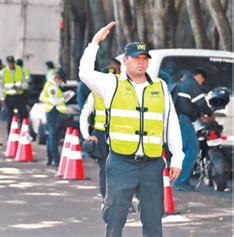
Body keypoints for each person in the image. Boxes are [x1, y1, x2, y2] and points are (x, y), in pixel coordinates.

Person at [79, 22, 184, 237]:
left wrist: (177, 158)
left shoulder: (160, 86)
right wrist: (95, 42)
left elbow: (171, 122)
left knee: (154, 220)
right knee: (115, 218)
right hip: (121, 162)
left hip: (153, 164)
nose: (141, 62)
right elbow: (85, 73)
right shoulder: (111, 84)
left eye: (144, 59)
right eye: (136, 58)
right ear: (125, 60)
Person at [172, 68, 213, 191]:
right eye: (202, 81)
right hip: (183, 120)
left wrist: (199, 115)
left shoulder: (181, 83)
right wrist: (209, 113)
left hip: (178, 119)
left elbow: (187, 104)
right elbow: (200, 102)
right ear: (199, 76)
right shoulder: (191, 83)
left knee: (184, 150)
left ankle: (179, 180)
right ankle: (181, 181)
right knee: (192, 149)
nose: (201, 84)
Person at [80, 91, 109, 199]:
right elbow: (84, 115)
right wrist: (86, 136)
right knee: (105, 168)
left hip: (117, 135)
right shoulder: (95, 94)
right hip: (101, 136)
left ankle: (120, 201)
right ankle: (108, 199)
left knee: (120, 168)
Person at [39, 69, 70, 167]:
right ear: (57, 78)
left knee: (51, 135)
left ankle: (50, 158)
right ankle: (55, 158)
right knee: (53, 135)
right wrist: (63, 98)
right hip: (52, 111)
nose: (61, 83)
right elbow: (54, 101)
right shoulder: (52, 87)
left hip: (51, 111)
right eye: (61, 81)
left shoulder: (50, 85)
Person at [1, 56, 29, 134]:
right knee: (10, 117)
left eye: (12, 63)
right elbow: (1, 85)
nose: (11, 65)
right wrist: (10, 87)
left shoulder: (20, 70)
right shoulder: (3, 71)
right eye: (10, 63)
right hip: (9, 97)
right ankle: (10, 134)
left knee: (23, 115)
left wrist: (21, 87)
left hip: (19, 96)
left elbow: (25, 82)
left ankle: (23, 133)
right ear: (7, 63)